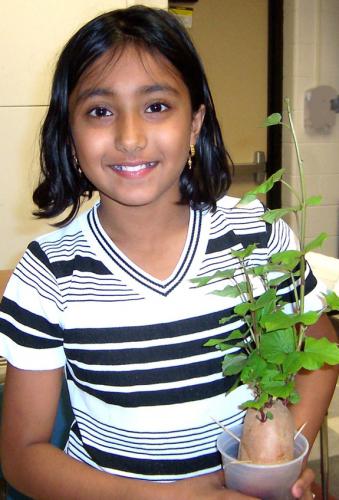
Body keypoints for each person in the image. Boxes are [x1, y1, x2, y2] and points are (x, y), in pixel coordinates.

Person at [0, 5, 337, 499]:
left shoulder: (258, 236)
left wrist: (284, 458)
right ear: (69, 133)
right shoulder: (48, 271)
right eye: (100, 111)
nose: (130, 138)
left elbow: (320, 356)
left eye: (156, 106)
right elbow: (22, 454)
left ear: (196, 121)